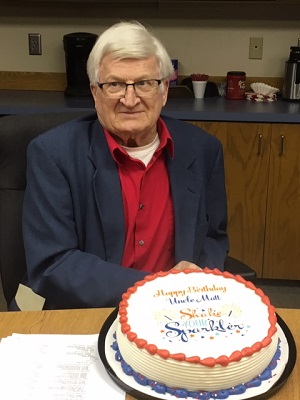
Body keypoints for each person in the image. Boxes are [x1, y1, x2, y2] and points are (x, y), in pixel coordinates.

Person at [17, 21, 228, 310]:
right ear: (95, 92)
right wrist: (153, 289)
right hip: (85, 312)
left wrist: (196, 282)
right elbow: (53, 264)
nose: (130, 100)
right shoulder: (53, 154)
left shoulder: (203, 150)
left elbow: (214, 237)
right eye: (115, 84)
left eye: (144, 83)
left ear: (164, 90)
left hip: (175, 312)